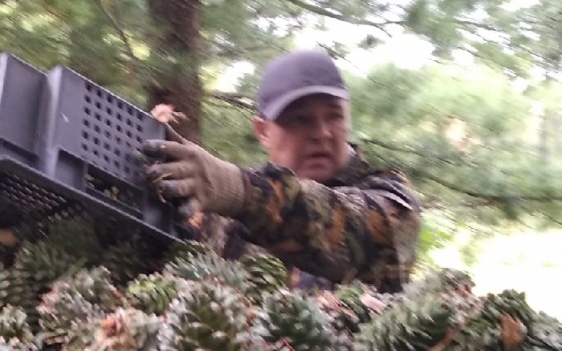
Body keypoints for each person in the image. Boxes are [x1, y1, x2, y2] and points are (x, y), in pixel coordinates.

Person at [140, 48, 422, 293]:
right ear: (263, 131)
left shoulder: (390, 199)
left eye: (334, 116)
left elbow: (346, 226)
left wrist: (241, 192)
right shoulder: (226, 217)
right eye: (300, 119)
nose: (321, 133)